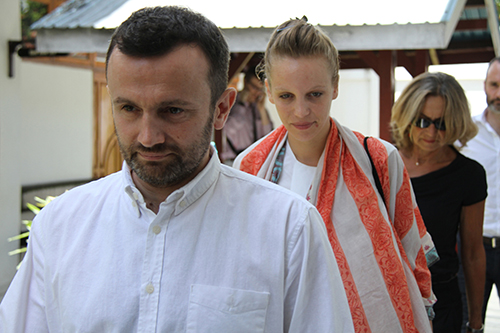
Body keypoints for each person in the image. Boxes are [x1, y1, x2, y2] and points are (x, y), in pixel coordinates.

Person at [0, 7, 355, 332]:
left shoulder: (289, 231)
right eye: (128, 109)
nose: (148, 136)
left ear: (221, 108)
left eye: (172, 111)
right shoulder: (61, 226)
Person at [234, 17, 436, 333]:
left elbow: (414, 262)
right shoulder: (250, 167)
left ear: (335, 87)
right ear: (269, 92)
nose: (301, 111)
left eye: (315, 94)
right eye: (287, 96)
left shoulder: (379, 159)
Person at [390, 72, 487, 333]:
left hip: (443, 301)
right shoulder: (384, 164)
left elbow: (473, 252)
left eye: (442, 123)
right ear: (408, 116)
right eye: (423, 121)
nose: (432, 132)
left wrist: (476, 322)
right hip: (389, 299)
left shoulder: (469, 175)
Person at [460, 57, 500, 330]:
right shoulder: (465, 134)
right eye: (494, 85)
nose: (499, 94)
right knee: (468, 325)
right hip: (474, 248)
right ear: (485, 86)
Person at [220, 67, 273, 163]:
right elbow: (228, 130)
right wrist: (242, 105)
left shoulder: (257, 107)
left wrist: (261, 110)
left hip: (253, 161)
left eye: (260, 89)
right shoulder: (232, 102)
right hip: (232, 160)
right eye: (254, 87)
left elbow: (268, 136)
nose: (257, 92)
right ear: (245, 82)